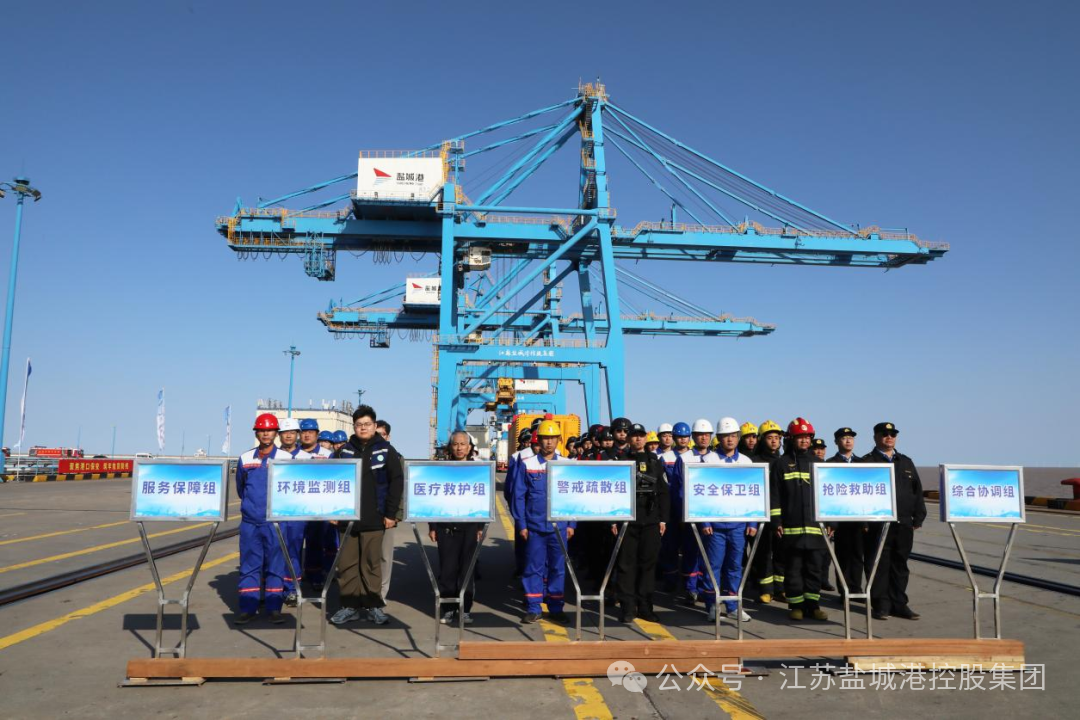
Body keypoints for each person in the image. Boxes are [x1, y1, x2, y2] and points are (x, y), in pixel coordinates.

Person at [329, 405, 403, 626]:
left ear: (374, 425)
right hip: (347, 520)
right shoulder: (343, 452)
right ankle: (349, 606)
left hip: (375, 518)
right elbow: (331, 481)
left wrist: (391, 514)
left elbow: (396, 482)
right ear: (354, 427)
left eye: (367, 424)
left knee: (372, 564)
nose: (363, 428)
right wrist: (332, 511)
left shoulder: (386, 451)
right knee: (347, 564)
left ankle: (373, 606)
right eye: (359, 424)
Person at [511, 420, 574, 624]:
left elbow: (573, 497)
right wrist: (521, 524)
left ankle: (556, 607)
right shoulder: (527, 464)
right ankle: (533, 607)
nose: (549, 442)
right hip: (535, 527)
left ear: (558, 440)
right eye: (545, 438)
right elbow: (518, 496)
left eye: (552, 438)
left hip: (559, 527)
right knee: (533, 567)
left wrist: (572, 524)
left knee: (557, 568)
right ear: (538, 440)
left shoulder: (566, 464)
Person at [862, 422, 926, 621]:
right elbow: (859, 495)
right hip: (877, 523)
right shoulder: (867, 462)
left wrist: (919, 515)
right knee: (878, 564)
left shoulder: (905, 462)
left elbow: (916, 490)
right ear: (875, 437)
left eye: (892, 434)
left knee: (900, 564)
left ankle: (899, 604)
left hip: (903, 522)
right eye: (885, 434)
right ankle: (881, 604)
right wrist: (863, 522)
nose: (889, 437)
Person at [770, 418, 830, 621]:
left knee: (814, 569)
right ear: (791, 439)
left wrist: (832, 522)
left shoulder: (819, 464)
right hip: (791, 528)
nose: (804, 440)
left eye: (807, 437)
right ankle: (796, 605)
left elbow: (828, 496)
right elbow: (775, 495)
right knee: (793, 569)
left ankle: (813, 606)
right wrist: (776, 521)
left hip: (816, 528)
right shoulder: (781, 464)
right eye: (800, 437)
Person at [234, 413, 289, 625]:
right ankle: (248, 607)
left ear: (276, 433)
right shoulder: (246, 458)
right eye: (262, 430)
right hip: (250, 523)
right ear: (257, 433)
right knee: (249, 564)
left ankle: (274, 608)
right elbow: (241, 488)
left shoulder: (285, 459)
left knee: (276, 564)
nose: (266, 433)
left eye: (270, 430)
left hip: (276, 522)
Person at [699, 418, 754, 623]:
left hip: (738, 525)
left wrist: (753, 522)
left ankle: (733, 606)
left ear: (738, 438)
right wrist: (704, 522)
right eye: (725, 436)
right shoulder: (708, 460)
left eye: (733, 436)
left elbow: (753, 494)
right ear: (719, 438)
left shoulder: (746, 462)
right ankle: (713, 605)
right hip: (715, 526)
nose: (729, 440)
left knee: (735, 566)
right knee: (713, 566)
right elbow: (700, 493)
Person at [614, 424, 669, 623]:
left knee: (648, 565)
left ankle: (645, 607)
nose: (638, 439)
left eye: (641, 436)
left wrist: (663, 519)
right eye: (634, 436)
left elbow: (663, 491)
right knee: (626, 565)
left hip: (651, 520)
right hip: (627, 521)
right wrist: (613, 520)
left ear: (646, 438)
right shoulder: (620, 460)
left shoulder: (655, 461)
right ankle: (628, 608)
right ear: (628, 439)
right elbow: (612, 491)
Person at [429, 431, 484, 625]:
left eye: (463, 444)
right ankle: (448, 609)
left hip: (470, 528)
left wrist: (480, 527)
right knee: (447, 570)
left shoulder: (478, 470)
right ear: (450, 447)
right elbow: (434, 500)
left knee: (467, 570)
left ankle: (465, 609)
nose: (459, 448)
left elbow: (482, 500)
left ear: (469, 448)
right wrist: (433, 526)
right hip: (446, 528)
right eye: (455, 444)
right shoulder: (442, 469)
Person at [680, 419, 720, 606]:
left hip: (712, 515)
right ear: (693, 437)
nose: (704, 438)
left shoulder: (717, 458)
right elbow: (679, 489)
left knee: (710, 554)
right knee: (691, 552)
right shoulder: (684, 458)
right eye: (700, 435)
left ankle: (706, 589)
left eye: (707, 435)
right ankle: (691, 588)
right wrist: (684, 513)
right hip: (691, 514)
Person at [276, 418, 313, 606]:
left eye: (292, 432)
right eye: (285, 433)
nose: (289, 436)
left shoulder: (307, 458)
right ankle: (273, 589)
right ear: (279, 435)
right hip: (276, 512)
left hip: (298, 514)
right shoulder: (273, 456)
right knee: (274, 551)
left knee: (293, 551)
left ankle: (291, 589)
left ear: (297, 434)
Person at [298, 419, 337, 592]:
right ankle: (294, 578)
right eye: (304, 432)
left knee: (315, 543)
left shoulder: (327, 455)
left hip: (319, 507)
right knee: (294, 543)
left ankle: (315, 576)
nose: (307, 435)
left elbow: (334, 480)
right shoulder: (292, 454)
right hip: (297, 507)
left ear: (317, 434)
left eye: (311, 432)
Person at [828, 427, 865, 599]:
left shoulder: (862, 463)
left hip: (858, 517)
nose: (848, 441)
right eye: (844, 438)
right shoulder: (829, 464)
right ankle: (844, 590)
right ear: (836, 442)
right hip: (839, 517)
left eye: (851, 437)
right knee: (842, 556)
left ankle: (856, 588)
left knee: (857, 555)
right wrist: (831, 522)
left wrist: (866, 521)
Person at [749, 420, 784, 604]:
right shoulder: (754, 462)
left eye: (777, 438)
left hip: (780, 515)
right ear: (762, 440)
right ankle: (766, 589)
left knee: (781, 553)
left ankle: (781, 589)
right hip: (761, 513)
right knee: (763, 553)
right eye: (770, 437)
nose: (774, 441)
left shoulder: (784, 461)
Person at [372, 420, 404, 604]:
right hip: (368, 514)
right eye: (376, 434)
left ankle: (381, 594)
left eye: (382, 434)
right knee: (368, 556)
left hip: (387, 515)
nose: (378, 438)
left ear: (388, 437)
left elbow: (400, 488)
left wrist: (396, 515)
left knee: (384, 556)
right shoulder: (365, 456)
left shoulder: (396, 457)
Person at [657, 421, 690, 591]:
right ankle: (670, 580)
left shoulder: (695, 457)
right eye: (679, 437)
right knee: (670, 545)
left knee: (690, 547)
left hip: (690, 508)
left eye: (685, 437)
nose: (682, 440)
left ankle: (689, 583)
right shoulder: (665, 458)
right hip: (671, 508)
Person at [505, 428, 537, 578]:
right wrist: (515, 508)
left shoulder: (555, 457)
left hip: (536, 509)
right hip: (525, 507)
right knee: (523, 539)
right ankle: (523, 569)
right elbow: (511, 486)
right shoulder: (518, 457)